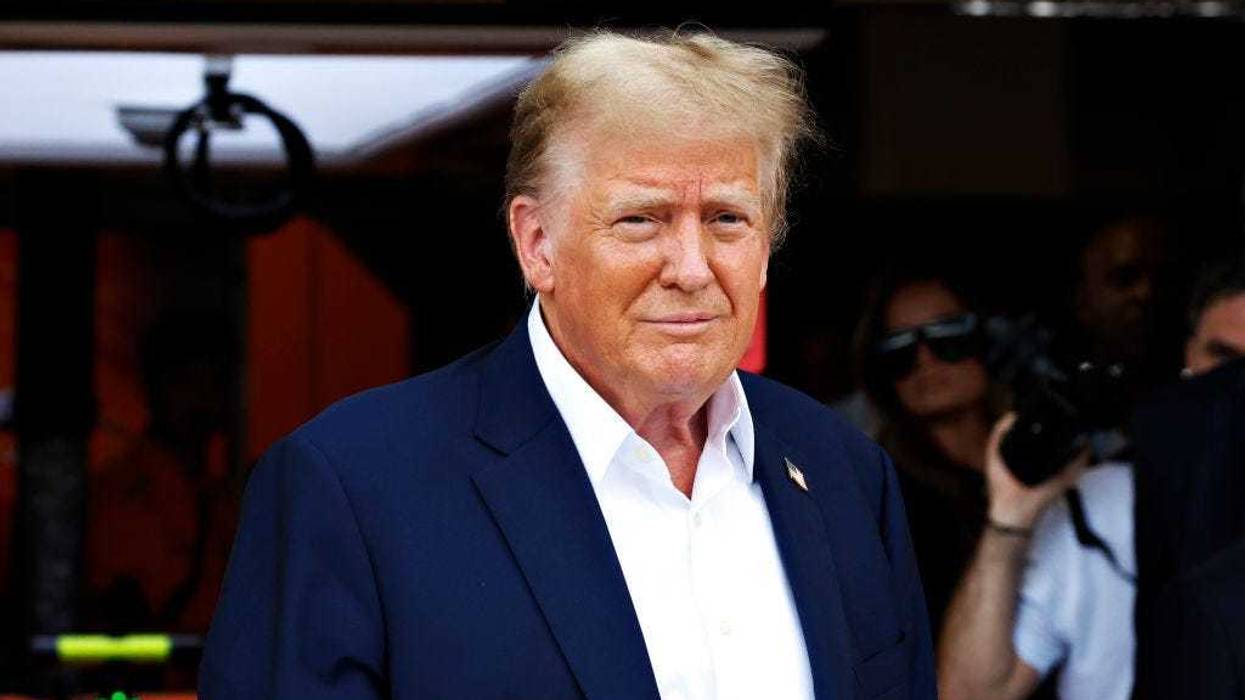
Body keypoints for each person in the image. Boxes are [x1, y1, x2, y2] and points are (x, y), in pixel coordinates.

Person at [200, 30, 936, 700]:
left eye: (726, 220)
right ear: (537, 244)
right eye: (640, 219)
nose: (690, 267)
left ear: (768, 243)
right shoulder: (351, 487)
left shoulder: (840, 471)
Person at [937, 257, 1245, 700]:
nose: (1231, 392)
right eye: (1223, 358)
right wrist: (1010, 520)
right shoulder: (1099, 504)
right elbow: (968, 694)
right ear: (1187, 355)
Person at [855, 271, 1002, 633]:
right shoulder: (880, 494)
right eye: (899, 349)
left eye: (948, 335)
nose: (925, 360)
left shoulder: (1041, 458)